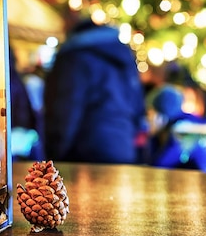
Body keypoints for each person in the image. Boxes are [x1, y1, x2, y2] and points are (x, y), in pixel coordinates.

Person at [43, 18, 147, 164]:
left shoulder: (75, 58)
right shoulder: (124, 58)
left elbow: (64, 110)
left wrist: (54, 155)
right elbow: (137, 107)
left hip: (85, 153)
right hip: (123, 149)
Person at [147, 84, 206, 172]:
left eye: (151, 113)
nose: (148, 120)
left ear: (160, 116)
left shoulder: (183, 130)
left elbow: (162, 164)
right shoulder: (167, 131)